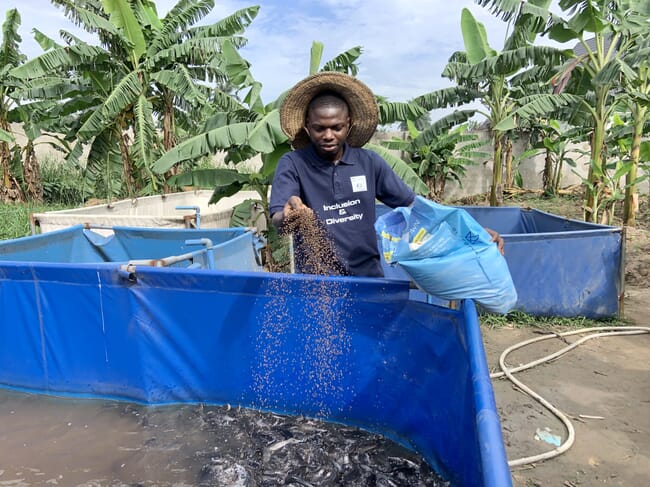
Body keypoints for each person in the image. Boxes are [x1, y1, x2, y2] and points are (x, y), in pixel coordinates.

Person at [270, 71, 503, 277]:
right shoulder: (293, 164)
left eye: (336, 127)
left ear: (348, 124)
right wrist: (289, 216)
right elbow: (280, 219)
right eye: (320, 128)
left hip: (367, 276)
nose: (328, 135)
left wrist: (472, 231)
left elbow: (416, 207)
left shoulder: (369, 162)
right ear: (307, 127)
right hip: (317, 281)